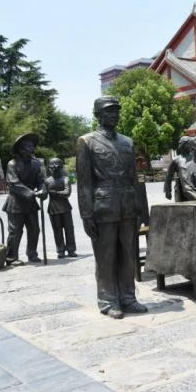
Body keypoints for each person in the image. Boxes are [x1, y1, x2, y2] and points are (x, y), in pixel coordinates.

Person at [76, 96, 147, 319]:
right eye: (109, 111)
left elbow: (134, 179)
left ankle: (128, 297)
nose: (114, 115)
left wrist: (139, 209)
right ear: (98, 115)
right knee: (106, 257)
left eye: (116, 111)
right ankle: (108, 301)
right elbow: (84, 183)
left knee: (128, 254)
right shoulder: (87, 141)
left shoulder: (127, 142)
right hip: (103, 206)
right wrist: (86, 214)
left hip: (127, 205)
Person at [3, 133, 47, 264]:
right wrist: (31, 193)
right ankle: (11, 257)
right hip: (16, 202)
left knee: (34, 229)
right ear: (21, 149)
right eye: (28, 146)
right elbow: (14, 183)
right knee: (15, 231)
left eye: (32, 145)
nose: (31, 148)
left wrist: (43, 189)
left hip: (30, 203)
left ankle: (32, 253)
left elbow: (41, 180)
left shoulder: (36, 164)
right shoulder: (12, 164)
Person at [44, 157, 77, 259]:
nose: (54, 168)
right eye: (52, 166)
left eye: (57, 166)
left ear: (61, 167)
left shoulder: (65, 179)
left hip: (65, 207)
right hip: (53, 208)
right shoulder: (47, 181)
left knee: (69, 229)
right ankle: (60, 250)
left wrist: (54, 192)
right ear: (49, 168)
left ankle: (71, 249)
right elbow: (44, 194)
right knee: (57, 230)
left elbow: (67, 192)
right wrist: (41, 193)